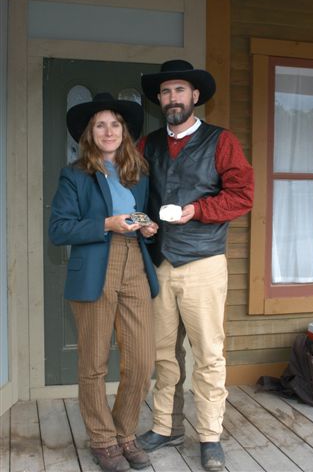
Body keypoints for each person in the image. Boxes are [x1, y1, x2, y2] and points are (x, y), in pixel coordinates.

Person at [137, 60, 254, 472]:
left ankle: (209, 435)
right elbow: (131, 191)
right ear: (160, 100)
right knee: (163, 354)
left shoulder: (221, 141)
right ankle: (166, 426)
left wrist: (197, 210)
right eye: (166, 92)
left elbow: (242, 195)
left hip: (204, 262)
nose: (172, 99)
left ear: (195, 96)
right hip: (160, 262)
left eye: (179, 91)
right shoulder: (147, 144)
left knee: (208, 354)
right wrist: (142, 222)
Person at [49, 92, 159, 472]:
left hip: (135, 264)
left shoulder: (137, 172)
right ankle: (102, 439)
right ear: (89, 133)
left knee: (142, 359)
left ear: (124, 131)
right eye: (100, 124)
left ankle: (125, 431)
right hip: (97, 263)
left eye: (115, 124)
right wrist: (106, 225)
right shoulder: (74, 174)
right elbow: (59, 229)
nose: (109, 131)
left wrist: (147, 228)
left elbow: (140, 215)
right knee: (93, 363)